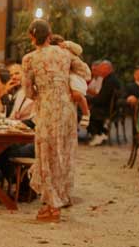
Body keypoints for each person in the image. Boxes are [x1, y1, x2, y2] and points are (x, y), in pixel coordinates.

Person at [21, 20, 91, 221]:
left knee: (46, 154)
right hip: (67, 108)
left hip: (46, 108)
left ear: (32, 37)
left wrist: (41, 94)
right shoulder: (64, 54)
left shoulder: (29, 59)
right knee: (62, 153)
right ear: (50, 35)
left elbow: (27, 91)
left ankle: (52, 205)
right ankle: (57, 200)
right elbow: (86, 73)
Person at [86, 60, 121, 146]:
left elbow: (101, 99)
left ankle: (98, 134)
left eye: (101, 69)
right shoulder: (110, 78)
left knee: (86, 112)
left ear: (107, 69)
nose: (99, 71)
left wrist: (87, 99)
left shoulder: (110, 81)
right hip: (108, 107)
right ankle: (101, 132)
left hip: (108, 110)